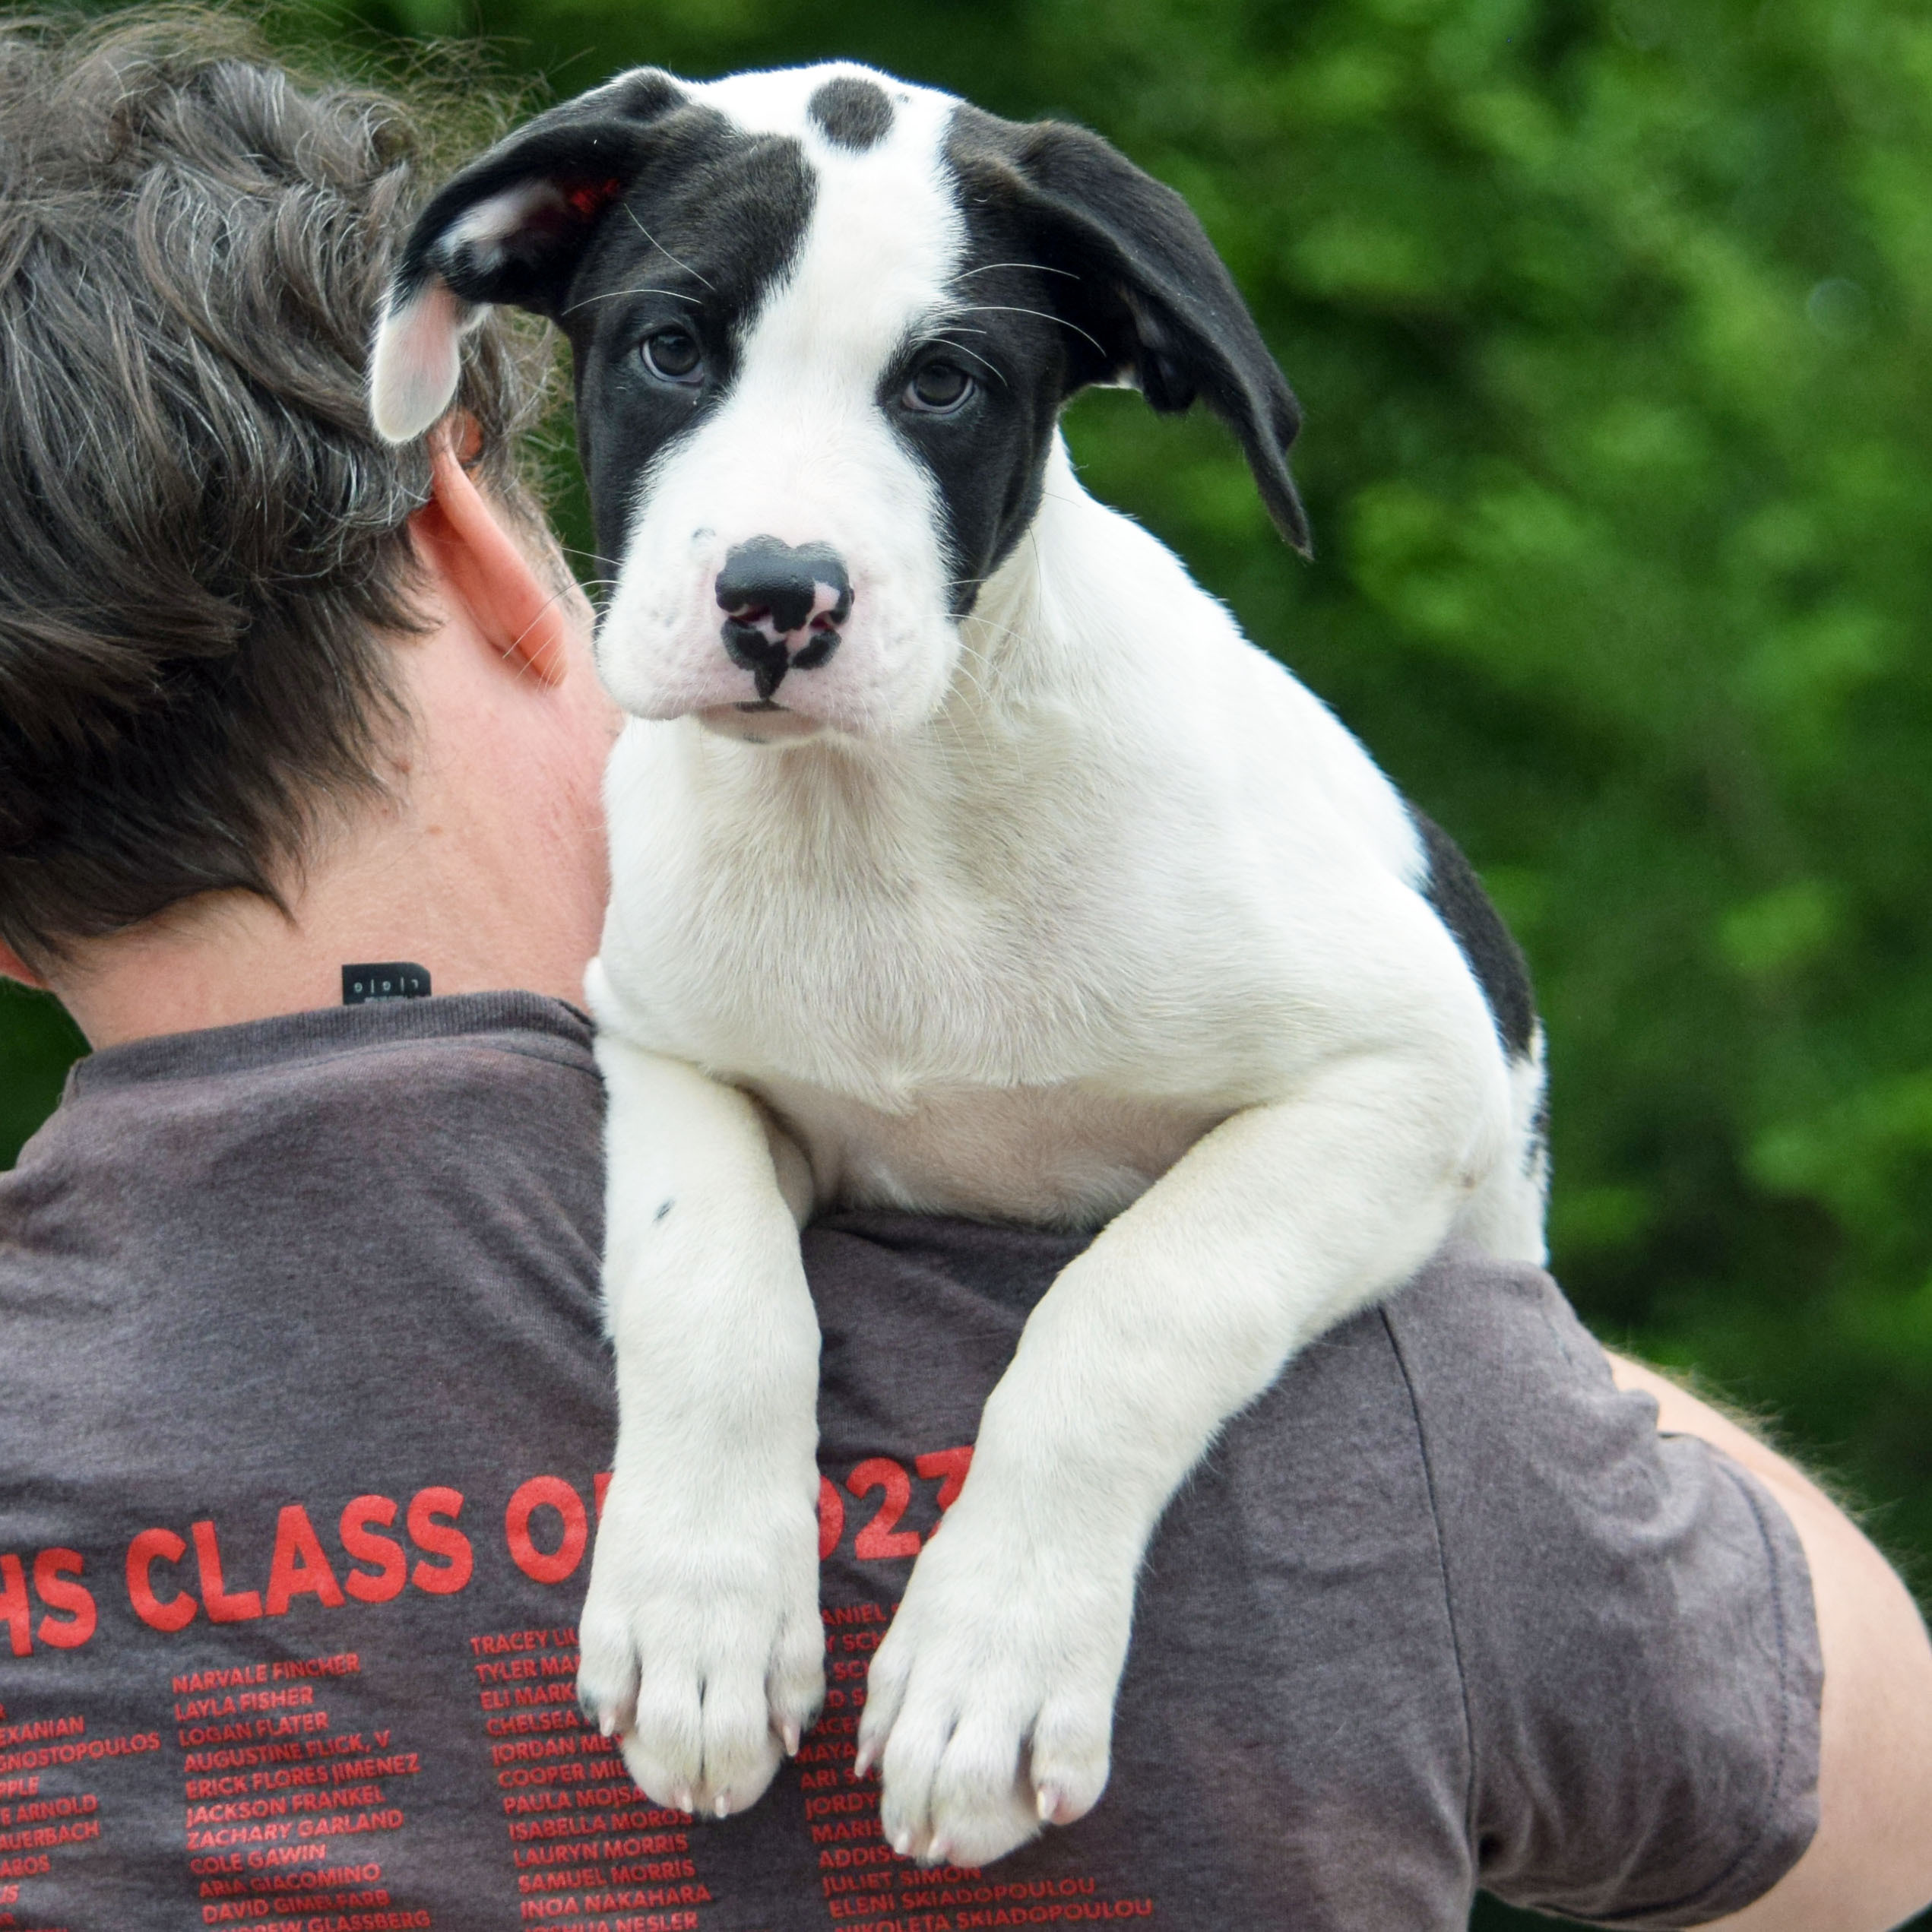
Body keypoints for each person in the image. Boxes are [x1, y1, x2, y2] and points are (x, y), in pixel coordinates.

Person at [0, 14, 1927, 1931]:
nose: (781, 546)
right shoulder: (1415, 1429)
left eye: (930, 391)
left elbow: (1408, 1075)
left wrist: (1034, 1442)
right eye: (676, 353)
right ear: (476, 532)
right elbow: (1886, 1811)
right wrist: (1491, 1399)